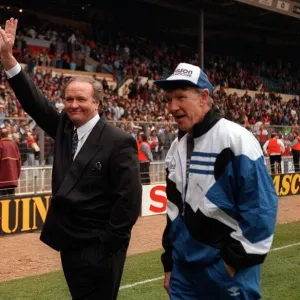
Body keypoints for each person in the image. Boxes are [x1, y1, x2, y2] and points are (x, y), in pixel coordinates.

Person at [0, 18, 142, 300]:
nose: (74, 104)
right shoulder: (65, 126)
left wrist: (107, 245)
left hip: (101, 248)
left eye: (81, 99)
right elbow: (34, 102)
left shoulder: (118, 141)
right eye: (69, 99)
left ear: (97, 103)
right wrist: (7, 57)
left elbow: (128, 202)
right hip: (69, 244)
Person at [155, 62, 278, 299]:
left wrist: (230, 265)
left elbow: (261, 210)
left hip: (226, 269)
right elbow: (173, 211)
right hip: (183, 272)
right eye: (168, 99)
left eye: (181, 97)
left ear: (203, 97)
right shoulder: (176, 146)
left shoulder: (236, 139)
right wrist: (170, 264)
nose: (172, 106)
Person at [0, 128, 22, 196]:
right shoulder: (14, 145)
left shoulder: (1, 144)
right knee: (12, 201)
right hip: (13, 179)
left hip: (2, 179)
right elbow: (19, 162)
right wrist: (16, 176)